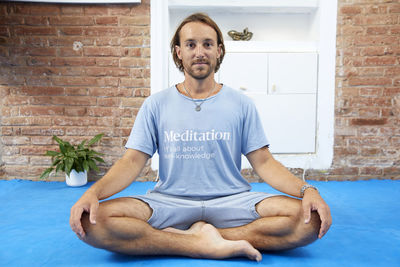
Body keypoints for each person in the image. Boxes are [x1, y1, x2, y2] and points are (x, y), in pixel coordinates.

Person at [69, 13, 332, 262]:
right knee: (90, 221)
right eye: (191, 44)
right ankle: (199, 243)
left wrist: (308, 190)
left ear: (219, 51)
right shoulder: (155, 105)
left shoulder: (241, 104)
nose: (199, 52)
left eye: (207, 44)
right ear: (178, 52)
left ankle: (201, 238)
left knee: (310, 220)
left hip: (232, 201)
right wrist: (93, 193)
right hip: (169, 201)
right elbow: (131, 162)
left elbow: (263, 162)